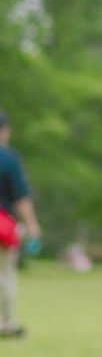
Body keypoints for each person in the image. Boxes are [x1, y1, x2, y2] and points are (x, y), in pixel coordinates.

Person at [0, 108, 42, 340]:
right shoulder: (9, 159)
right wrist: (32, 224)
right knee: (5, 275)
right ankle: (6, 322)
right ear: (4, 131)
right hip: (3, 225)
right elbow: (21, 197)